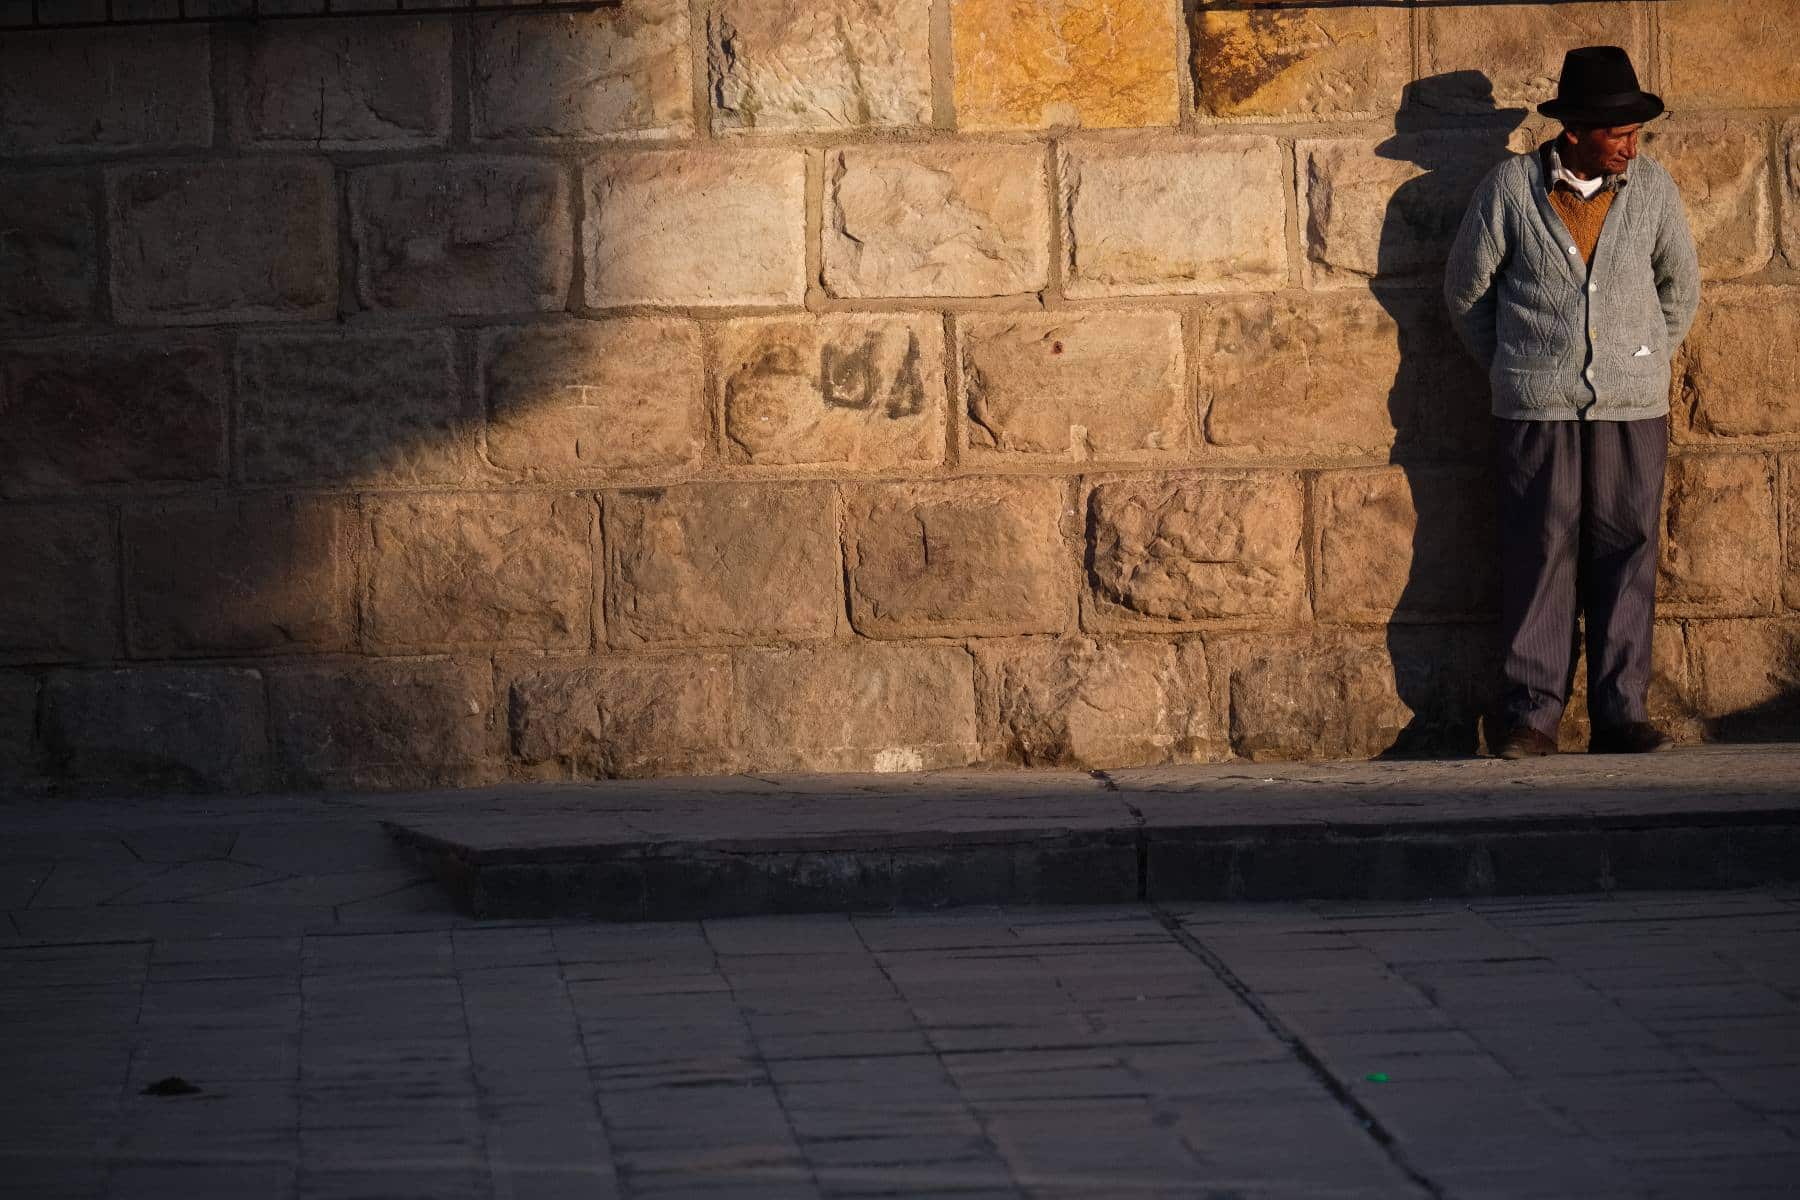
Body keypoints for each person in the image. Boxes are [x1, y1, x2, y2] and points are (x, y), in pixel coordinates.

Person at [1444, 45, 1700, 759]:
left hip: (1632, 409)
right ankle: (1531, 717)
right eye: (1617, 132)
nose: (1630, 144)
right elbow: (1467, 294)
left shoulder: (1652, 191)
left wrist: (1639, 359)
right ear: (1578, 130)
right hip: (1536, 410)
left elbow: (1681, 289)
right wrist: (1517, 367)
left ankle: (1621, 714)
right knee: (1539, 549)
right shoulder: (1509, 190)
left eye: (1634, 132)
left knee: (1629, 550)